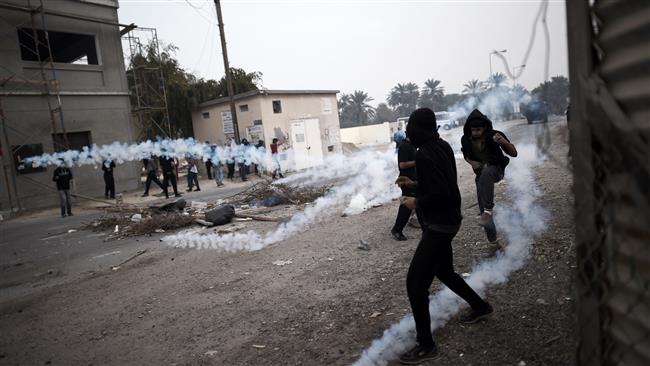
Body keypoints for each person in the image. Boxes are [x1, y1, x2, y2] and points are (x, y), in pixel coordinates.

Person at [395, 108, 493, 364]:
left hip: (439, 225)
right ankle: (480, 306)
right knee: (445, 272)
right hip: (449, 220)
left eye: (410, 130)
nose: (407, 135)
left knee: (416, 285)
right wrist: (413, 184)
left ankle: (426, 345)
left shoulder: (425, 154)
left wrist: (414, 202)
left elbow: (441, 193)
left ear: (420, 130)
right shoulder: (442, 145)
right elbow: (443, 183)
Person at [460, 109, 517, 245]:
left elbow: (514, 153)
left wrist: (504, 142)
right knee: (483, 210)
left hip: (496, 170)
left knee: (487, 206)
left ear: (485, 128)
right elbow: (466, 155)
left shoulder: (495, 136)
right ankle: (493, 240)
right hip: (481, 176)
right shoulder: (466, 139)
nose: (475, 133)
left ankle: (488, 210)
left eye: (478, 130)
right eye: (473, 130)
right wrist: (473, 163)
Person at [391, 137, 421, 241]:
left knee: (418, 204)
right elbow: (402, 165)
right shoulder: (404, 147)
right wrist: (418, 161)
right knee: (406, 207)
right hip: (406, 181)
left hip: (413, 180)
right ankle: (397, 230)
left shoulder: (412, 146)